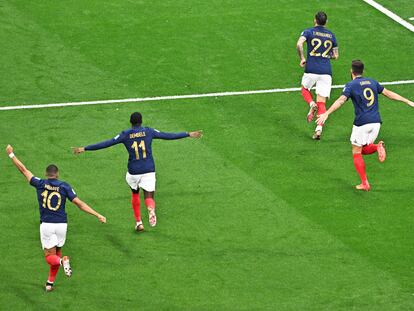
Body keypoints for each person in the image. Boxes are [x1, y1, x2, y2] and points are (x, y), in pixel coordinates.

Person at [72, 112, 202, 231]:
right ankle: (150, 209)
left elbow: (107, 143)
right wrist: (188, 134)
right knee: (149, 196)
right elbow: (167, 135)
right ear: (141, 121)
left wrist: (85, 148)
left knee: (135, 194)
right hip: (149, 169)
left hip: (133, 171)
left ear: (131, 122)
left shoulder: (125, 134)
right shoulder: (149, 131)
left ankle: (139, 222)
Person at [5, 145, 106, 292]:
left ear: (46, 174)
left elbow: (23, 170)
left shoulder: (40, 183)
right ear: (57, 174)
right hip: (61, 225)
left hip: (46, 225)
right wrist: (97, 214)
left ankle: (62, 261)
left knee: (50, 257)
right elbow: (79, 204)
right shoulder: (64, 186)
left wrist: (11, 154)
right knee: (57, 251)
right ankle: (49, 283)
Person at [316, 60, 414, 190]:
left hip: (362, 123)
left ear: (351, 71)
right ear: (363, 71)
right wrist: (407, 101)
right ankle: (376, 147)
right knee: (363, 149)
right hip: (376, 122)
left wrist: (326, 113)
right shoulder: (372, 82)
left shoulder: (351, 85)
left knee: (356, 152)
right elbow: (389, 93)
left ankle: (364, 183)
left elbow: (341, 100)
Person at [296, 11, 339, 140]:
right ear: (326, 22)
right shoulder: (332, 35)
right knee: (322, 102)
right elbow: (336, 56)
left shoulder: (308, 32)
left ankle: (311, 104)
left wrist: (302, 58)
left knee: (304, 89)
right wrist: (325, 55)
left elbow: (299, 44)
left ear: (315, 20)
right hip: (326, 72)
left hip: (311, 68)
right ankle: (318, 130)